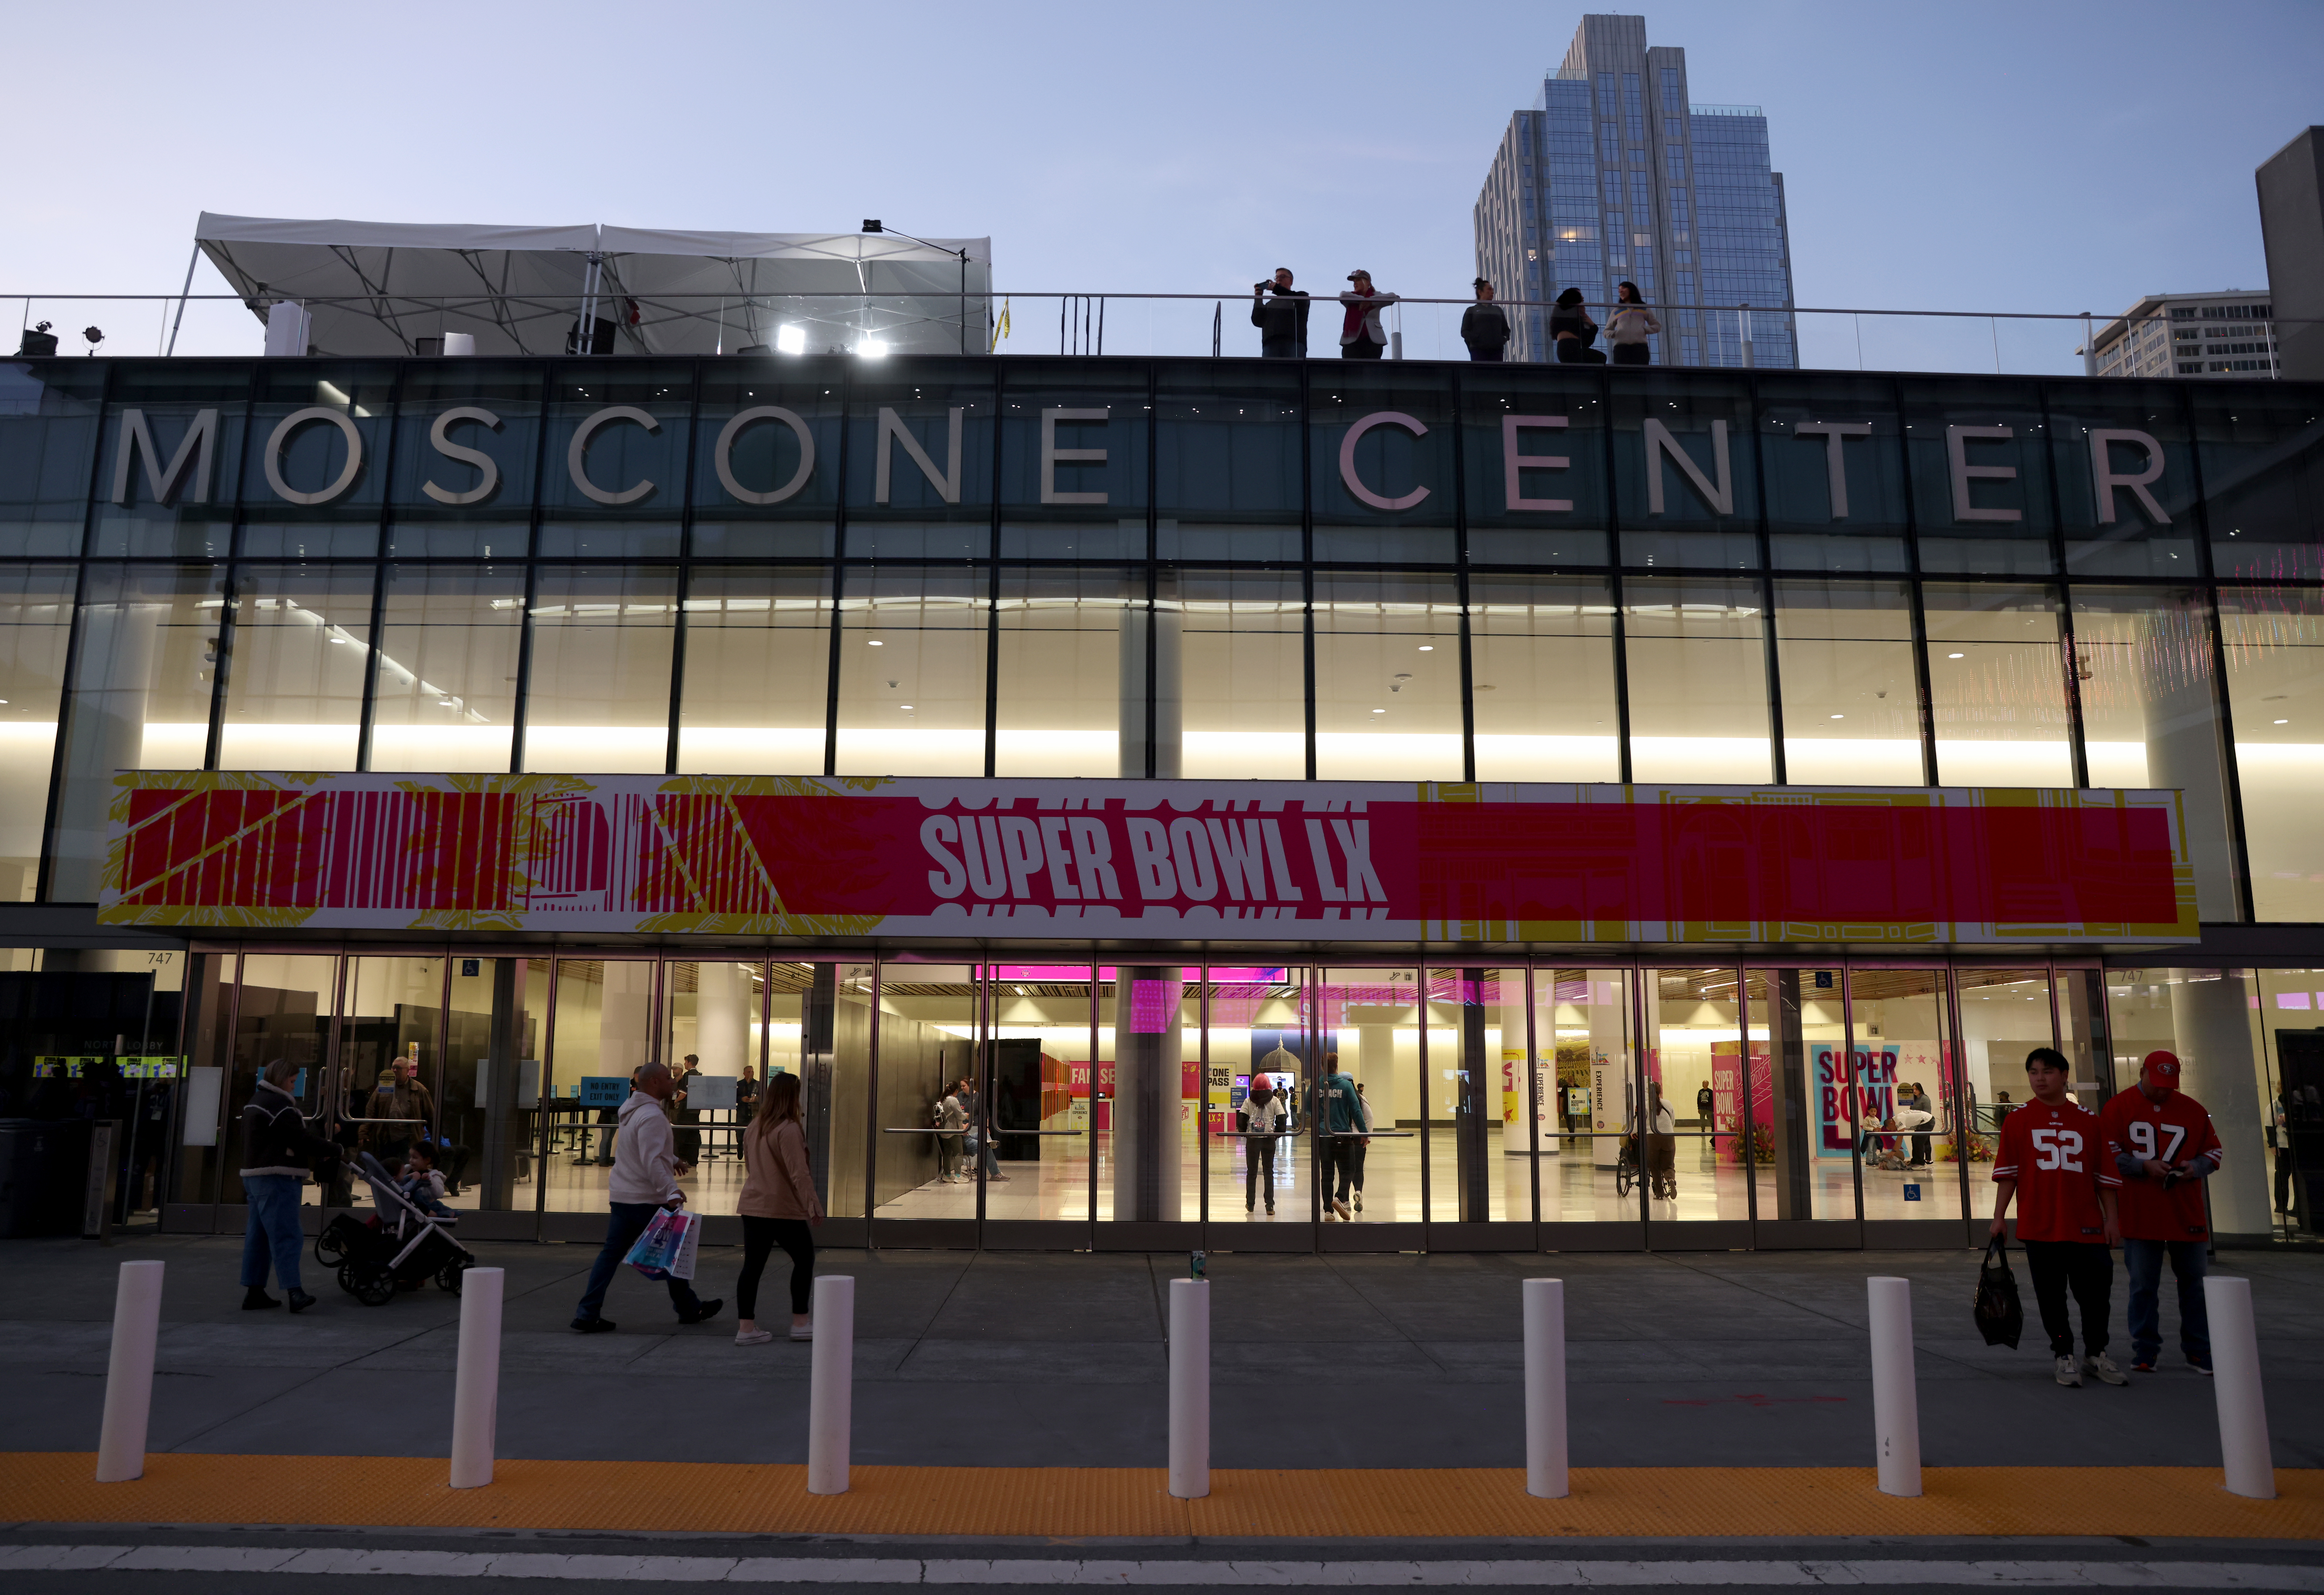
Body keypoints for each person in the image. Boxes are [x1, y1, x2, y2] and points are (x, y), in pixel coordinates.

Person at [1990, 1046, 2125, 1387]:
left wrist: (2112, 1219)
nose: (2040, 1078)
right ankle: (2063, 1355)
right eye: (2033, 1072)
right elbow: (2008, 1175)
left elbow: (2103, 1178)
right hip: (2041, 1225)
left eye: (2047, 1071)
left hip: (2087, 1226)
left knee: (2095, 1294)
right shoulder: (2018, 1120)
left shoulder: (2089, 1121)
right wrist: (1999, 1218)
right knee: (2051, 1298)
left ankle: (2096, 1353)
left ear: (2064, 1076)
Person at [570, 1061, 722, 1333]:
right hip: (646, 1198)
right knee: (671, 1253)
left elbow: (640, 1148)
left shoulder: (632, 1110)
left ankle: (588, 1312)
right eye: (667, 1078)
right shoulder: (652, 1116)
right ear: (654, 1082)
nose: (673, 1081)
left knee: (613, 1256)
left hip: (623, 1196)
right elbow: (651, 1160)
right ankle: (689, 1307)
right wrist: (671, 1191)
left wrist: (673, 1158)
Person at [2099, 1050, 2224, 1375]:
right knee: (2143, 1284)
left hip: (2185, 1212)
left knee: (2194, 1284)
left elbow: (2214, 1152)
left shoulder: (2193, 1110)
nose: (2162, 1091)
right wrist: (2142, 1166)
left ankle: (2198, 1350)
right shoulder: (2118, 1107)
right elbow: (2106, 1153)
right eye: (2156, 1083)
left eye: (2169, 1085)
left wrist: (2191, 1168)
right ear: (2142, 1072)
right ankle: (2145, 1350)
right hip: (2140, 1212)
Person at [239, 1058, 340, 1312]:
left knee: (258, 1237)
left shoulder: (256, 1101)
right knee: (287, 1236)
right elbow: (300, 1139)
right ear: (281, 1079)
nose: (294, 1087)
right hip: (277, 1177)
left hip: (254, 1176)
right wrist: (334, 1148)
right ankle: (295, 1292)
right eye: (292, 1081)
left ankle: (255, 1291)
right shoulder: (279, 1106)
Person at [735, 1071, 823, 1345]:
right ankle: (800, 1322)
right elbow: (799, 1173)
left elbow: (750, 1166)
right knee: (805, 1259)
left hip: (753, 1204)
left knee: (752, 1267)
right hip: (782, 1207)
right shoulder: (789, 1129)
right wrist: (813, 1205)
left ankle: (746, 1329)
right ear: (792, 1097)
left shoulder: (755, 1126)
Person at [1316, 1052, 1363, 1219]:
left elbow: (1308, 1108)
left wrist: (1321, 1120)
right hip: (1343, 1136)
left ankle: (1329, 1212)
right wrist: (1364, 1133)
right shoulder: (1346, 1086)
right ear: (1337, 1066)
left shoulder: (1316, 1085)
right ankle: (1340, 1197)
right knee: (1349, 1170)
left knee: (1327, 1175)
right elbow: (1357, 1111)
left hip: (1323, 1137)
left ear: (1322, 1067)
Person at [1243, 1073, 1285, 1215]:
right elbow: (1282, 1121)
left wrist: (1246, 1134)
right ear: (1269, 1086)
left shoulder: (1249, 1101)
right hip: (1269, 1139)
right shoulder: (1274, 1101)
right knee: (1269, 1172)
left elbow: (1241, 1120)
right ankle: (1270, 1206)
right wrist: (1275, 1136)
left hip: (1253, 1139)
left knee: (1252, 1172)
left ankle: (1251, 1204)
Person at [1337, 271, 1397, 359]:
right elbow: (1342, 295)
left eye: (1358, 280)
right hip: (1352, 341)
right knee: (1350, 369)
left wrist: (1371, 301)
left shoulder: (1376, 296)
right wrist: (1363, 300)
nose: (1355, 283)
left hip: (1373, 341)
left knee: (1372, 369)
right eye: (1354, 282)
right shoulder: (1351, 298)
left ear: (1367, 282)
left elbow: (1393, 297)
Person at [1251, 268, 1310, 359]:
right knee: (1271, 372)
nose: (1279, 280)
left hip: (1294, 342)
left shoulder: (1301, 297)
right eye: (1277, 278)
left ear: (1291, 281)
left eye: (1283, 277)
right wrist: (1258, 298)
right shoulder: (1270, 304)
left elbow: (1294, 298)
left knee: (1295, 370)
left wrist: (1276, 289)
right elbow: (1257, 321)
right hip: (1271, 343)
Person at [1606, 281, 1660, 366]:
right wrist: (1616, 334)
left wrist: (1644, 330)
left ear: (1631, 290)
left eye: (1623, 288)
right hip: (1621, 349)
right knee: (1622, 376)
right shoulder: (1617, 311)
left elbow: (1657, 326)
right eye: (1619, 290)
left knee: (1641, 374)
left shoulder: (1643, 308)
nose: (1621, 292)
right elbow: (1606, 331)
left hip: (1640, 348)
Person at [398, 1141, 455, 1218]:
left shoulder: (434, 1176)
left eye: (415, 1158)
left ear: (427, 1160)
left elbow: (440, 1194)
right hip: (407, 1207)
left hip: (425, 1209)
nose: (411, 1160)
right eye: (411, 1157)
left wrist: (430, 1180)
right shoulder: (406, 1170)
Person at [1550, 288, 1605, 363]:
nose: (1582, 298)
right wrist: (1593, 326)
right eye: (1580, 295)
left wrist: (1593, 326)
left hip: (1567, 349)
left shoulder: (1563, 317)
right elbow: (1586, 341)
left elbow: (1586, 342)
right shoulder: (1568, 315)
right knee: (1601, 358)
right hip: (1570, 348)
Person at [1460, 278, 1510, 362]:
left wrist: (1503, 339)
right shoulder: (1472, 310)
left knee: (1497, 374)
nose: (1493, 292)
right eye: (1489, 289)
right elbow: (1465, 331)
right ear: (1480, 292)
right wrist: (1476, 339)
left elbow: (1506, 330)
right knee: (1480, 373)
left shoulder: (1498, 310)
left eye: (1493, 290)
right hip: (1478, 350)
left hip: (1497, 350)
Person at [673, 1054, 704, 1166]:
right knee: (694, 1136)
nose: (685, 1064)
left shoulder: (688, 1075)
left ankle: (680, 1159)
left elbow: (684, 1094)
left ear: (689, 1062)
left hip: (686, 1111)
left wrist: (675, 1102)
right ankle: (694, 1161)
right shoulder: (699, 1076)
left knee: (680, 1136)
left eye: (686, 1062)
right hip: (696, 1112)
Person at [935, 1082, 967, 1183]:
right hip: (954, 1131)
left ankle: (948, 1175)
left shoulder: (943, 1100)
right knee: (958, 1153)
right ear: (956, 1091)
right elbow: (960, 1116)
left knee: (947, 1153)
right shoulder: (954, 1100)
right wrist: (966, 1115)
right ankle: (958, 1176)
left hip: (944, 1131)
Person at [1351, 1079, 1373, 1213]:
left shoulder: (1340, 1097)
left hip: (1343, 1137)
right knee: (1359, 1168)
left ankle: (1344, 1200)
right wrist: (1367, 1137)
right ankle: (1358, 1191)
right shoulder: (1362, 1099)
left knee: (1346, 1170)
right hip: (1359, 1138)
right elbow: (1370, 1118)